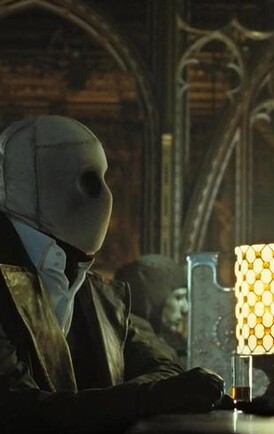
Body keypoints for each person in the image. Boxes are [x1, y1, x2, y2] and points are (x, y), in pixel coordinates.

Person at [0, 115, 227, 434]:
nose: (104, 197)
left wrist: (142, 397)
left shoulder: (100, 294)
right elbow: (16, 409)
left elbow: (166, 368)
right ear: (28, 181)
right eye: (89, 180)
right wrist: (145, 398)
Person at [115, 254, 190, 363]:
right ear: (154, 299)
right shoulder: (139, 345)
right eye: (178, 298)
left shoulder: (167, 341)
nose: (185, 308)